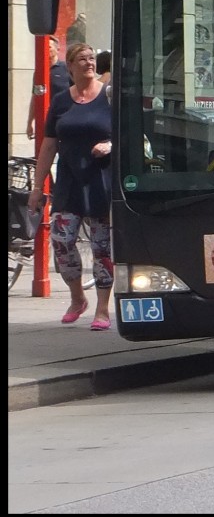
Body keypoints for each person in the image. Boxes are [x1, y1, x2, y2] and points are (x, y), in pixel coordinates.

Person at [26, 43, 114, 331]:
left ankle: (102, 309)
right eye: (82, 59)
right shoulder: (62, 100)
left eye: (92, 58)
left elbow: (128, 135)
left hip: (101, 180)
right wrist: (38, 187)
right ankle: (78, 298)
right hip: (69, 181)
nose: (89, 63)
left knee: (102, 246)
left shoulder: (109, 97)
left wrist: (110, 144)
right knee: (62, 240)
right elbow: (49, 144)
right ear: (71, 67)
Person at [27, 34, 71, 140]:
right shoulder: (39, 72)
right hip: (46, 120)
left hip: (65, 118)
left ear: (57, 49)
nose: (46, 50)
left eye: (49, 47)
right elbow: (35, 97)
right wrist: (30, 122)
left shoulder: (67, 69)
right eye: (44, 47)